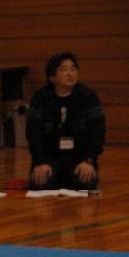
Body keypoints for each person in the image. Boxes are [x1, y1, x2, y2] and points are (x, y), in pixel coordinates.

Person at [26, 52, 105, 190]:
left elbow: (97, 132)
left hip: (79, 158)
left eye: (73, 69)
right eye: (64, 69)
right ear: (52, 77)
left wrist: (88, 160)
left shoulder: (88, 96)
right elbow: (33, 134)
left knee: (86, 185)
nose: (70, 73)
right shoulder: (41, 97)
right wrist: (40, 161)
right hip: (50, 159)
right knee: (40, 184)